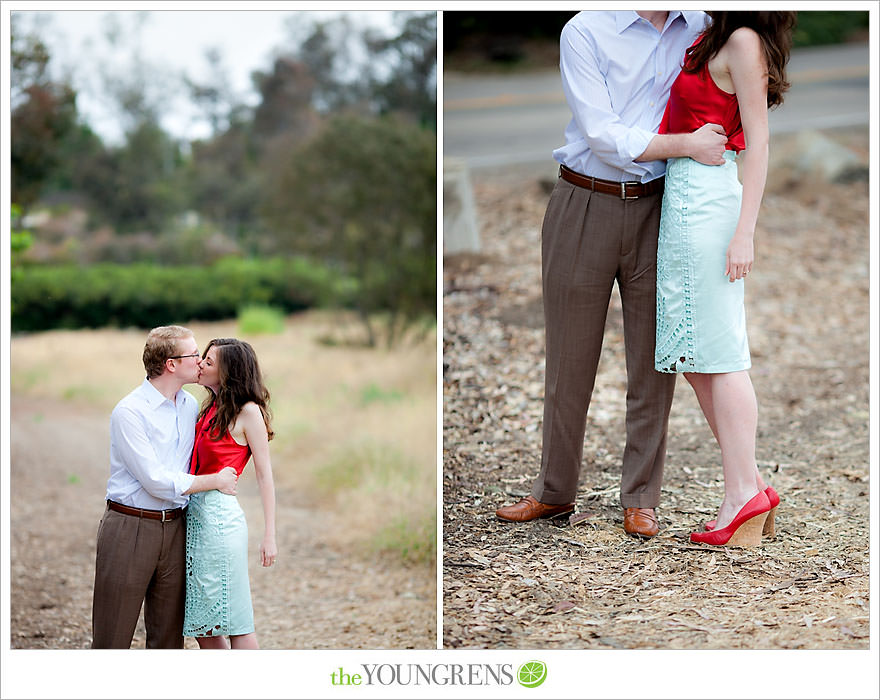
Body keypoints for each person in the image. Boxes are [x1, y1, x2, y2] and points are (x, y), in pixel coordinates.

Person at [495, 11, 728, 538]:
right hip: (584, 201)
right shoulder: (585, 31)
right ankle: (554, 492)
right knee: (569, 360)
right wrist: (687, 145)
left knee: (653, 360)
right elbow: (603, 136)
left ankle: (642, 497)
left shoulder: (701, 26)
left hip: (661, 208)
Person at [655, 11, 795, 546]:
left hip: (709, 201)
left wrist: (745, 233)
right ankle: (752, 483)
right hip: (685, 192)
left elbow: (758, 142)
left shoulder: (741, 39)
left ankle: (741, 494)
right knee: (693, 356)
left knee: (719, 353)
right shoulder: (712, 32)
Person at [92, 325, 238, 649]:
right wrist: (214, 482)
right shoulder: (130, 411)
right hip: (130, 527)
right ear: (171, 364)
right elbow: (155, 480)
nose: (200, 361)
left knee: (169, 640)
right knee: (111, 638)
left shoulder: (189, 406)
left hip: (176, 528)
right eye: (194, 354)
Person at [184, 338, 277, 649]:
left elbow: (264, 474)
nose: (200, 365)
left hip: (219, 521)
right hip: (195, 516)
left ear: (229, 372)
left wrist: (270, 535)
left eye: (208, 362)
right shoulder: (209, 408)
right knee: (203, 622)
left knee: (233, 618)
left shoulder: (248, 412)